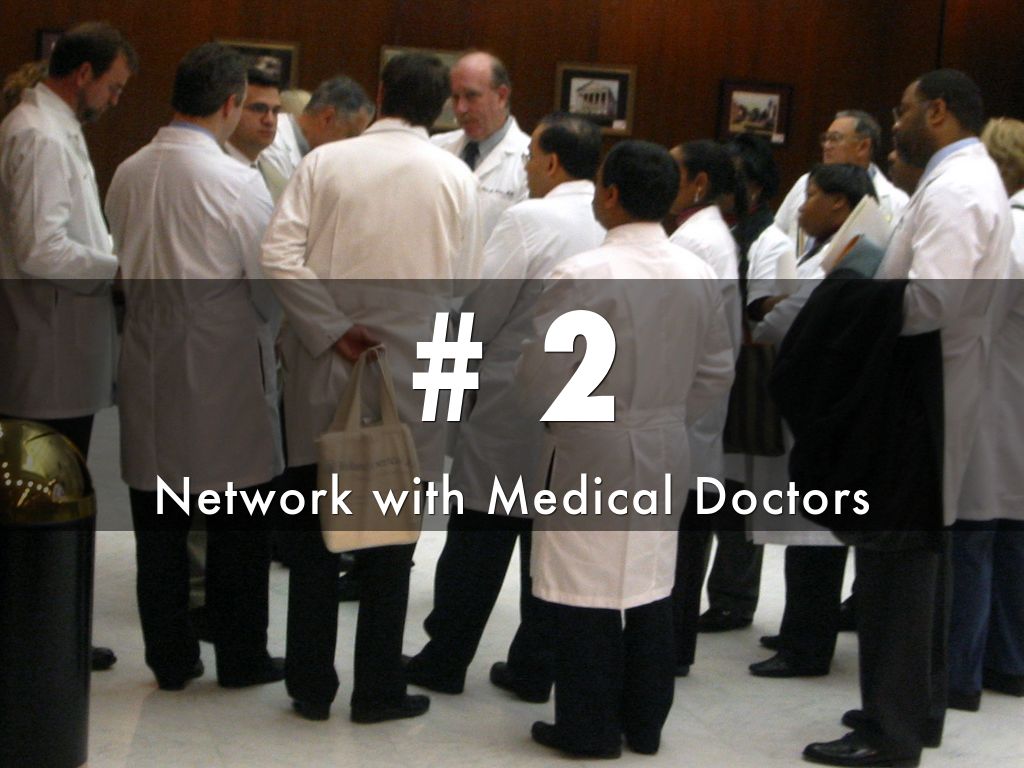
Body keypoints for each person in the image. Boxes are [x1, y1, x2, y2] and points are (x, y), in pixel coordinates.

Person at [259, 51, 483, 723]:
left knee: (313, 537)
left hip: (328, 365)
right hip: (416, 369)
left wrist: (332, 326)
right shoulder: (455, 177)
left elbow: (277, 256)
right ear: (439, 106)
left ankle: (310, 685)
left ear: (380, 93)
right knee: (391, 544)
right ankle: (378, 689)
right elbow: (466, 282)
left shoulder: (325, 162)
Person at [803, 68, 1012, 768]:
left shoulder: (957, 188)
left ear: (939, 111)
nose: (895, 123)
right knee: (920, 555)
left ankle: (889, 729)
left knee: (896, 563)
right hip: (935, 385)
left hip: (919, 389)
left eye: (904, 110)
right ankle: (913, 709)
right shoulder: (963, 179)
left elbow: (929, 301)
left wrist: (852, 298)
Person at [520, 140, 734, 758]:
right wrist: (666, 416)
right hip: (664, 441)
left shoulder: (582, 274)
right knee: (650, 583)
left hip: (591, 444)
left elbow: (540, 376)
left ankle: (586, 727)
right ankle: (644, 724)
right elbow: (716, 371)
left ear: (609, 194)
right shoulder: (697, 272)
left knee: (583, 587)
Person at [404, 113, 605, 701]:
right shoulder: (607, 223)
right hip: (583, 403)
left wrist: (441, 392)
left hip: (510, 399)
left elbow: (478, 309)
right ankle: (534, 666)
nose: (526, 166)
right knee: (548, 540)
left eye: (531, 156)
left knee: (479, 535)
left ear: (551, 162)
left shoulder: (530, 218)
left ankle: (446, 658)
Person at [105, 42, 285, 691]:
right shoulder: (234, 180)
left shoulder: (129, 170)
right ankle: (241, 656)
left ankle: (172, 657)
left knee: (158, 521)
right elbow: (268, 283)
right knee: (239, 521)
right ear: (230, 104)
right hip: (221, 361)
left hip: (148, 353)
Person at [0, 21, 137, 674]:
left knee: (57, 502)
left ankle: (50, 635)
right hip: (46, 348)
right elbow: (42, 250)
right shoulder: (40, 134)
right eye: (113, 86)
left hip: (59, 344)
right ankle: (42, 643)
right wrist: (118, 268)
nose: (115, 99)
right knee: (46, 509)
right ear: (82, 74)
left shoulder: (53, 127)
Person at [747, 164, 877, 679]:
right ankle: (800, 630)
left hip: (822, 411)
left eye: (813, 196)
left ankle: (806, 647)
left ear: (840, 203)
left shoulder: (838, 261)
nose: (801, 208)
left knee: (813, 537)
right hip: (822, 407)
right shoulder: (836, 251)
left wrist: (769, 309)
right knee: (808, 534)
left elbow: (778, 322)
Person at [949, 116, 1024, 709]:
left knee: (972, 539)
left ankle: (958, 674)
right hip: (1013, 403)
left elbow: (978, 321)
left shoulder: (1012, 232)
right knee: (1013, 539)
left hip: (993, 396)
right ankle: (1009, 661)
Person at [664, 139, 742, 672]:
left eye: (676, 172)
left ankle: (669, 649)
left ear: (699, 183)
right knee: (686, 539)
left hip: (687, 412)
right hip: (695, 411)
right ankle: (673, 646)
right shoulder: (703, 234)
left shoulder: (696, 242)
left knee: (682, 542)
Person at [775, 109, 908, 247]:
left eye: (835, 139)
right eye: (825, 139)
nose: (826, 146)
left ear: (863, 146)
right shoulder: (804, 182)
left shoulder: (896, 201)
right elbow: (777, 234)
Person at [432, 51, 530, 237]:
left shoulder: (528, 163)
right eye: (455, 97)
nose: (461, 108)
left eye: (471, 96)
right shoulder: (435, 148)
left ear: (501, 96)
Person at [259, 74, 374, 180]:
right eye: (351, 135)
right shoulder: (271, 144)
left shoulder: (317, 155)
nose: (351, 145)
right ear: (327, 118)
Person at [225, 65, 287, 200]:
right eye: (258, 108)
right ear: (231, 108)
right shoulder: (210, 168)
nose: (269, 120)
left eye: (275, 111)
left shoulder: (277, 180)